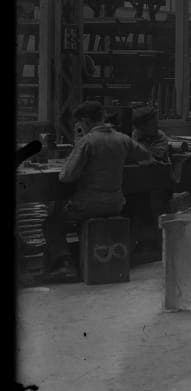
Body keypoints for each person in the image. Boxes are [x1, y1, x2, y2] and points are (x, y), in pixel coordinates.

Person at [42, 101, 154, 282]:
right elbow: (147, 157)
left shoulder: (87, 141)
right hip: (116, 204)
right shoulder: (122, 139)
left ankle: (65, 264)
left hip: (88, 205)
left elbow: (66, 177)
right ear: (102, 117)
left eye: (79, 123)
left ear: (85, 121)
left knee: (52, 223)